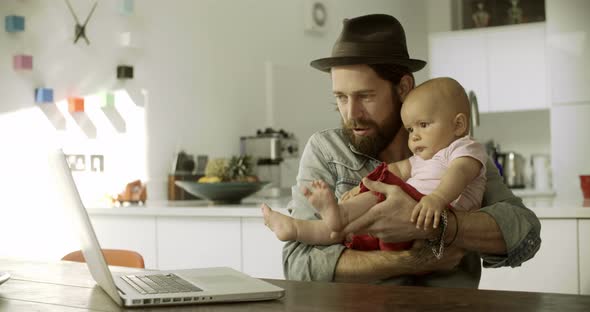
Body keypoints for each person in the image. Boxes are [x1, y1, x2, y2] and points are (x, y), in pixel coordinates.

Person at [266, 14, 541, 287]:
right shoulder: (327, 150)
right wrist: (413, 261)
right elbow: (300, 266)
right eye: (341, 97)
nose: (351, 114)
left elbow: (526, 234)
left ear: (403, 88)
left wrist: (440, 225)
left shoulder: (452, 146)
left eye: (366, 96)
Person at [263, 77, 488, 256]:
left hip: (432, 215)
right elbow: (397, 169)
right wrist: (364, 184)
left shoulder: (464, 149)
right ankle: (298, 229)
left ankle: (339, 215)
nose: (415, 137)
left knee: (384, 195)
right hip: (400, 226)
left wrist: (437, 199)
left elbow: (459, 173)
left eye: (423, 125)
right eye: (410, 130)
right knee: (344, 228)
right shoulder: (422, 159)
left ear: (458, 125)